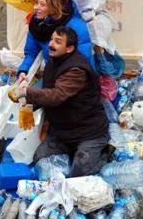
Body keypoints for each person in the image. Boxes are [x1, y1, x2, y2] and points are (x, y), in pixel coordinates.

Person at [10, 26, 109, 177]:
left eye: (57, 42)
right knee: (38, 159)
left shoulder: (77, 70)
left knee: (78, 173)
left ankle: (106, 154)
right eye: (51, 39)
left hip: (88, 133)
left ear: (69, 48)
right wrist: (28, 105)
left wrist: (26, 92)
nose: (50, 44)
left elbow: (57, 95)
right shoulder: (54, 61)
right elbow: (47, 92)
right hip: (62, 132)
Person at [17, 0, 93, 82]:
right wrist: (23, 71)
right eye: (36, 3)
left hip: (75, 78)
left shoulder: (76, 27)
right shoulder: (36, 25)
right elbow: (31, 53)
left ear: (54, 8)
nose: (36, 7)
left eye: (42, 4)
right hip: (52, 73)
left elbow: (83, 60)